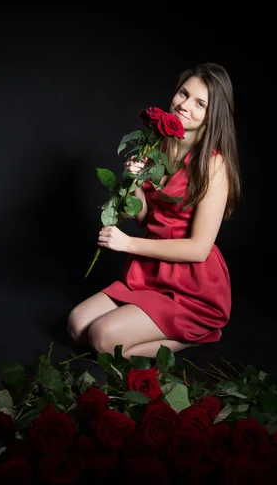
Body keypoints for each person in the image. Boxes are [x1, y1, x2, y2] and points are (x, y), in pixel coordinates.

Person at [68, 62, 241, 358]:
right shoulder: (156, 148)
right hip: (150, 272)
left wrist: (127, 244)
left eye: (200, 103)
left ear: (213, 116)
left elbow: (199, 249)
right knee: (77, 325)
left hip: (190, 283)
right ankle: (137, 331)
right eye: (183, 94)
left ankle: (198, 333)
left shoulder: (214, 165)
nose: (185, 105)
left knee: (103, 339)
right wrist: (134, 183)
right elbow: (146, 219)